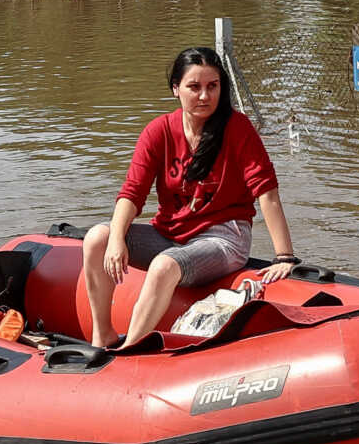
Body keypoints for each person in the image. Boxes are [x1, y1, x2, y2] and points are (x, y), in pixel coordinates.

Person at [83, 46, 300, 350]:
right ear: (175, 89)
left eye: (213, 86)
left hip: (225, 239)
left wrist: (285, 257)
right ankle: (102, 335)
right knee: (97, 238)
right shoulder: (158, 131)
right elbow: (132, 192)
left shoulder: (237, 128)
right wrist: (117, 238)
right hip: (171, 234)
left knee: (164, 265)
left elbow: (266, 192)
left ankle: (128, 351)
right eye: (194, 87)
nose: (204, 96)